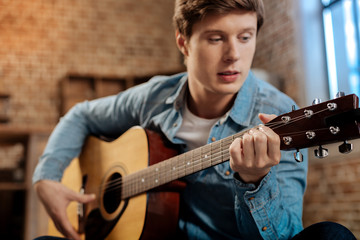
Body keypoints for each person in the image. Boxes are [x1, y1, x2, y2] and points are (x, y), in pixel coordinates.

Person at [32, 0, 356, 240]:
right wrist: (46, 178)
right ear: (183, 43)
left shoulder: (279, 115)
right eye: (216, 38)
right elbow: (80, 115)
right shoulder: (155, 95)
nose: (233, 55)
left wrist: (255, 181)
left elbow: (282, 236)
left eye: (245, 37)